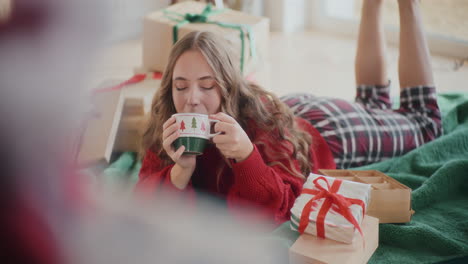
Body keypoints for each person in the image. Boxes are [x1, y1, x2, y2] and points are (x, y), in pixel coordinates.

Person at [136, 0, 441, 224]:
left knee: (424, 123)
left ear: (228, 87)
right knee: (373, 103)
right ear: (169, 88)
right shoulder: (168, 121)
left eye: (207, 86)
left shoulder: (258, 123)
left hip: (326, 132)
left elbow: (282, 208)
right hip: (288, 117)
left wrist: (246, 157)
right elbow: (143, 200)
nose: (191, 100)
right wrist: (179, 172)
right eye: (180, 86)